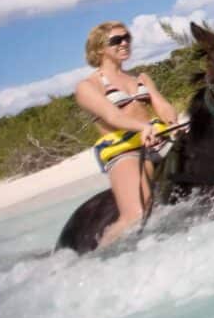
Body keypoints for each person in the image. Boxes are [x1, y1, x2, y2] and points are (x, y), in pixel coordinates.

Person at [73, 22, 178, 247]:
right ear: (99, 48)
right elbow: (113, 117)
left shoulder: (141, 78)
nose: (124, 43)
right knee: (136, 216)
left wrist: (173, 122)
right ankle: (100, 252)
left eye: (127, 37)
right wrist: (142, 128)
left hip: (157, 141)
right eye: (116, 40)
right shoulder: (87, 86)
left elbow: (162, 106)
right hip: (125, 151)